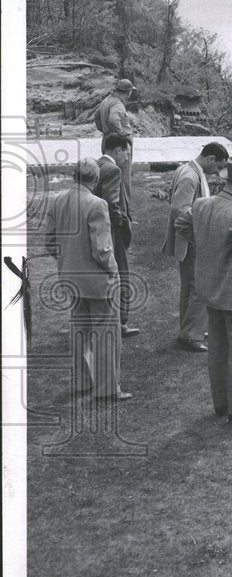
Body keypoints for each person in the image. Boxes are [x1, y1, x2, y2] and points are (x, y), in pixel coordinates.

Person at [175, 153, 232, 423]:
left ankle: (221, 403)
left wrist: (205, 246)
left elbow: (181, 223)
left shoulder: (204, 205)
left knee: (217, 346)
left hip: (209, 284)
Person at [44, 158, 130, 401]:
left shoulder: (57, 200)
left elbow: (50, 242)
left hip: (71, 277)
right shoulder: (97, 204)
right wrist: (113, 270)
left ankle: (82, 382)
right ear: (96, 179)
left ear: (74, 175)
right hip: (97, 280)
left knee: (79, 331)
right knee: (105, 334)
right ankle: (107, 388)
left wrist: (69, 260)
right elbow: (101, 249)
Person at [162, 142, 229, 352]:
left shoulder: (189, 169)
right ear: (210, 158)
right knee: (198, 286)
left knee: (191, 286)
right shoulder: (191, 176)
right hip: (192, 240)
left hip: (192, 238)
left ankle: (190, 329)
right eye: (217, 167)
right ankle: (191, 335)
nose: (217, 172)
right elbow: (179, 209)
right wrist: (201, 230)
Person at [95, 133, 139, 337]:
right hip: (112, 231)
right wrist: (122, 225)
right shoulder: (113, 169)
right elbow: (112, 203)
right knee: (122, 273)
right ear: (118, 150)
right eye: (127, 154)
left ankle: (104, 319)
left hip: (97, 230)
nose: (127, 159)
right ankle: (121, 323)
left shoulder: (97, 165)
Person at [96, 79, 135, 205]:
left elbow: (97, 116)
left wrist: (106, 131)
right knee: (124, 178)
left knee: (110, 175)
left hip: (107, 140)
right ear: (128, 92)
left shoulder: (107, 100)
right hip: (119, 144)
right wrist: (122, 134)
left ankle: (112, 206)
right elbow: (113, 119)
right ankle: (124, 212)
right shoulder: (118, 104)